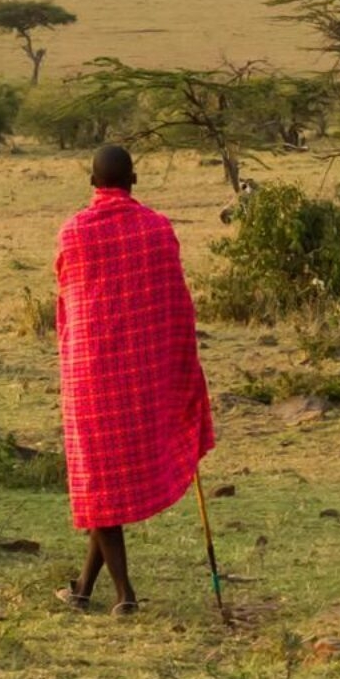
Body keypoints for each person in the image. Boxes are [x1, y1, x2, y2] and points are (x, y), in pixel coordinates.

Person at [52, 143, 215, 612]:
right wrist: (182, 370)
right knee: (102, 488)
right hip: (143, 378)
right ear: (133, 180)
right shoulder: (158, 230)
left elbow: (67, 298)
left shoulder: (74, 233)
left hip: (91, 377)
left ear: (92, 182)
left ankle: (124, 596)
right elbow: (179, 306)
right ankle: (83, 590)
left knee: (99, 484)